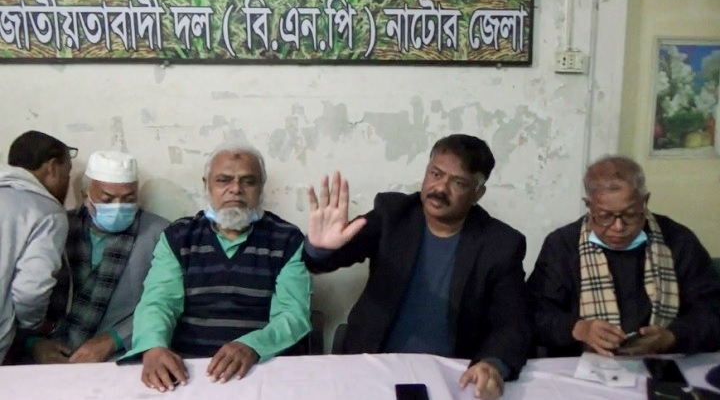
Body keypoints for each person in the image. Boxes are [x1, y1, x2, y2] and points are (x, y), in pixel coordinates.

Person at [304, 134, 531, 400]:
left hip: (453, 374)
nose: (440, 188)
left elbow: (512, 323)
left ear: (477, 193)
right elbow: (333, 256)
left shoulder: (500, 244)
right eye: (436, 174)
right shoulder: (393, 214)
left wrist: (493, 364)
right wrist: (320, 248)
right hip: (375, 363)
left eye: (458, 182)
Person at [119, 142, 312, 393]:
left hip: (261, 366)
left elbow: (293, 314)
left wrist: (253, 345)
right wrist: (153, 347)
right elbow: (159, 302)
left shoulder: (287, 239)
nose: (236, 189)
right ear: (207, 185)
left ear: (261, 187)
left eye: (248, 181)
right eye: (223, 180)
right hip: (188, 369)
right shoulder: (179, 236)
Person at [527, 155, 720, 357]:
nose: (618, 227)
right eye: (605, 216)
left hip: (662, 362)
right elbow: (534, 314)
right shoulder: (562, 245)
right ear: (589, 205)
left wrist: (673, 336)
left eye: (630, 214)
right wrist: (578, 329)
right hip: (580, 363)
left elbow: (712, 310)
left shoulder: (677, 241)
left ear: (645, 201)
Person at [28, 151, 169, 364]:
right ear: (86, 196)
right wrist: (34, 343)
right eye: (107, 199)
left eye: (129, 199)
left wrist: (114, 339)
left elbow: (165, 301)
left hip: (120, 356)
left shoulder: (159, 233)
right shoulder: (58, 228)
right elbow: (26, 294)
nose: (119, 206)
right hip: (53, 353)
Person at [0, 130, 75, 364]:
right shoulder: (46, 212)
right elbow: (31, 289)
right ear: (52, 167)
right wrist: (33, 326)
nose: (67, 183)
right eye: (67, 174)